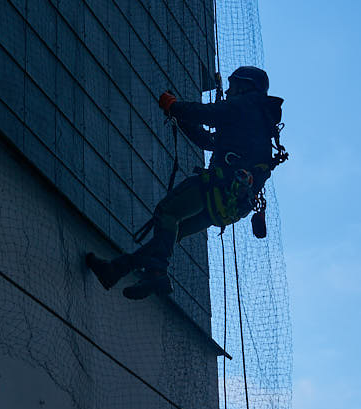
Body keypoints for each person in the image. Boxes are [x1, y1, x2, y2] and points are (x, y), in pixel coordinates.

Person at [86, 66, 285, 300]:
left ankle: (156, 272)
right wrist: (178, 116)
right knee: (171, 233)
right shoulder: (259, 124)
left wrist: (174, 106)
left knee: (167, 212)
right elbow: (208, 140)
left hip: (217, 187)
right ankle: (115, 270)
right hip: (228, 206)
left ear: (245, 86)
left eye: (232, 86)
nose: (229, 91)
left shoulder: (246, 104)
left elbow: (207, 113)